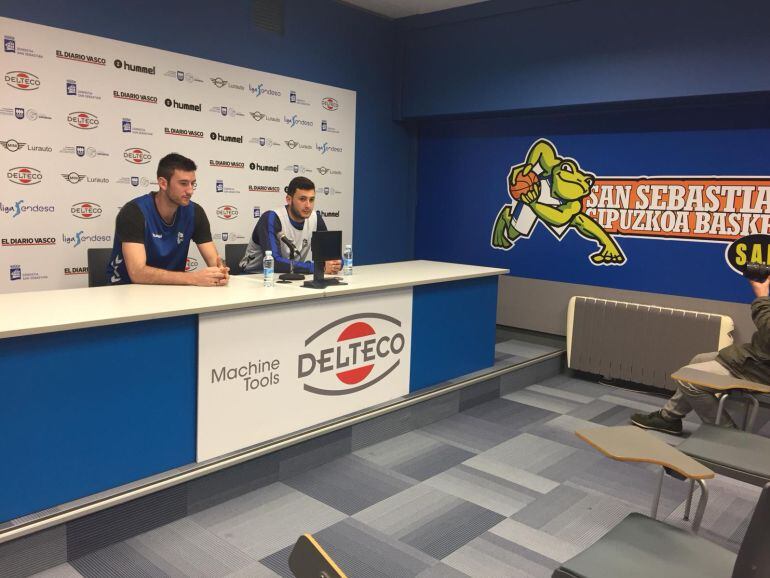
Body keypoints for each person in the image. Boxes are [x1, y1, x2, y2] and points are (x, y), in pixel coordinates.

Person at [631, 276, 770, 434]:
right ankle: (669, 418)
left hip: (759, 369)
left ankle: (727, 435)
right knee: (698, 360)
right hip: (755, 359)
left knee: (689, 380)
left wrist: (762, 297)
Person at [107, 153, 229, 286]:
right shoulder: (134, 212)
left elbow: (214, 260)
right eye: (183, 183)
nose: (190, 191)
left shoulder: (195, 212)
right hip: (126, 290)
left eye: (192, 184)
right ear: (163, 183)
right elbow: (138, 273)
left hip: (172, 290)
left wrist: (221, 270)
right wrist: (193, 278)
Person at [239, 176, 341, 275]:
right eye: (302, 199)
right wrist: (317, 267)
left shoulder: (316, 218)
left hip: (291, 276)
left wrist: (336, 263)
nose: (308, 205)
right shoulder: (272, 217)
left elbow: (331, 254)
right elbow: (274, 262)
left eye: (311, 199)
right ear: (289, 199)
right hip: (255, 276)